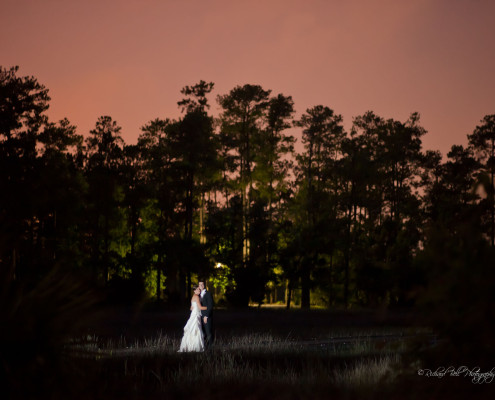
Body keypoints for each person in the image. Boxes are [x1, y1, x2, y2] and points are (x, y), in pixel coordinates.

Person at [178, 285, 207, 352]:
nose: (199, 290)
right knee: (196, 330)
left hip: (194, 314)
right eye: (197, 289)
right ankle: (195, 347)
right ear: (194, 291)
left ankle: (190, 346)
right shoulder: (196, 297)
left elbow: (191, 308)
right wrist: (209, 307)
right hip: (196, 316)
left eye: (199, 289)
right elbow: (200, 307)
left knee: (192, 330)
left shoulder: (193, 297)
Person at [198, 279, 214, 349]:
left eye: (202, 284)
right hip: (199, 316)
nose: (201, 286)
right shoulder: (198, 294)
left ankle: (211, 347)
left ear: (204, 285)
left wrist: (206, 316)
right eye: (200, 284)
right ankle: (205, 347)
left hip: (206, 316)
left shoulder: (208, 294)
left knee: (208, 332)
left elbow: (210, 306)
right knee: (202, 333)